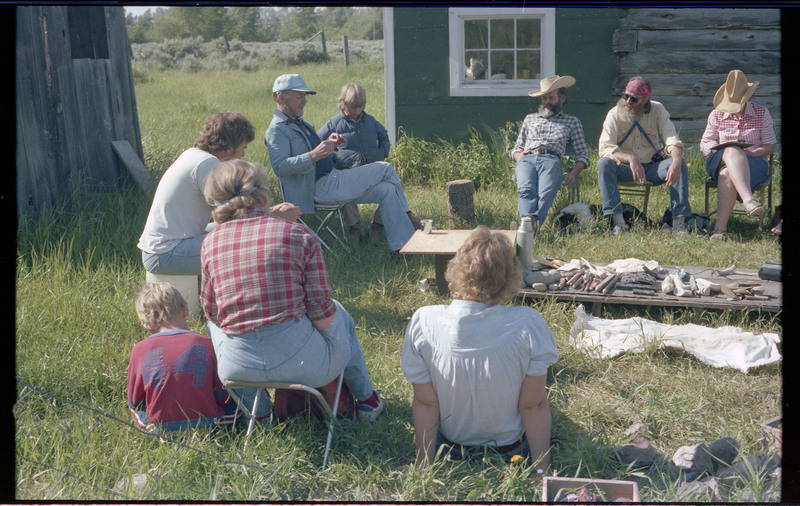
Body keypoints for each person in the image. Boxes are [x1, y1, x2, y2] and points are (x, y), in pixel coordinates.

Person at [200, 159, 386, 423]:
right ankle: (367, 401)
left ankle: (261, 416)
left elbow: (212, 312)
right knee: (338, 311)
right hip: (307, 367)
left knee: (213, 324)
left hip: (238, 368)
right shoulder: (299, 235)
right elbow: (321, 312)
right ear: (263, 190)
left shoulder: (210, 242)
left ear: (214, 198)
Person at [401, 227, 558, 470]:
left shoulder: (423, 321)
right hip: (512, 451)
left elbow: (426, 404)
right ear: (510, 275)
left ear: (456, 268)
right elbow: (532, 405)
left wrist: (423, 465)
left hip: (451, 448)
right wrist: (541, 470)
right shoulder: (529, 323)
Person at [265, 74, 420, 253]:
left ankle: (404, 248)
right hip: (318, 188)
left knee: (387, 190)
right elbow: (280, 167)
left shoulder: (299, 123)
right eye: (299, 96)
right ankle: (409, 219)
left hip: (332, 179)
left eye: (305, 96)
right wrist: (313, 155)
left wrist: (330, 143)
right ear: (281, 97)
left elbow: (314, 150)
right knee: (385, 168)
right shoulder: (277, 130)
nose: (304, 101)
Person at [138, 111, 300, 276]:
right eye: (243, 147)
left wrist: (268, 213)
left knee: (239, 231)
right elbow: (232, 217)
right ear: (230, 146)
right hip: (167, 253)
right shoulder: (208, 164)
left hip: (162, 248)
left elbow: (230, 216)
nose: (243, 154)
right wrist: (275, 215)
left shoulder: (193, 154)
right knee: (247, 241)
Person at [127, 282, 237, 434]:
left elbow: (135, 398)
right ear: (185, 309)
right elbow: (223, 392)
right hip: (210, 426)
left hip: (162, 429)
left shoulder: (139, 350)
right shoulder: (207, 344)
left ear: (146, 324)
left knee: (134, 406)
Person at [597, 76, 692, 235]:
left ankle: (679, 223)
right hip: (626, 168)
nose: (628, 101)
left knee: (679, 164)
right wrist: (630, 158)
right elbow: (605, 147)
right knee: (603, 164)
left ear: (645, 99)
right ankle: (618, 222)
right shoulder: (614, 114)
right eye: (625, 96)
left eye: (634, 99)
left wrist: (675, 161)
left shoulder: (658, 110)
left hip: (652, 168)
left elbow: (672, 139)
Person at [699, 70, 776, 240]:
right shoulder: (716, 114)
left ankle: (720, 230)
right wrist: (719, 150)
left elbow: (770, 145)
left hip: (753, 161)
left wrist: (751, 152)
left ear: (747, 98)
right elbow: (706, 142)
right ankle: (749, 200)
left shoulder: (761, 113)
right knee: (732, 150)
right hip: (718, 159)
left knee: (727, 172)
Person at [510, 75, 590, 226]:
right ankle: (530, 226)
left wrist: (573, 174)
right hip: (527, 159)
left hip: (551, 160)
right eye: (544, 98)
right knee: (526, 189)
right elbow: (516, 148)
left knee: (545, 193)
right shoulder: (530, 119)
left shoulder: (572, 121)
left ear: (562, 99)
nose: (547, 102)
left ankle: (526, 226)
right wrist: (519, 157)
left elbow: (583, 154)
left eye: (551, 98)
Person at [317, 83, 392, 244]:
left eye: (360, 106)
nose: (357, 111)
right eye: (352, 106)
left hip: (371, 168)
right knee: (345, 197)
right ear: (343, 102)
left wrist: (383, 152)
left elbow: (384, 135)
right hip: (347, 172)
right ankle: (354, 229)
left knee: (394, 187)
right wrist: (332, 156)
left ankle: (377, 227)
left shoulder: (371, 121)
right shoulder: (333, 124)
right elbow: (317, 143)